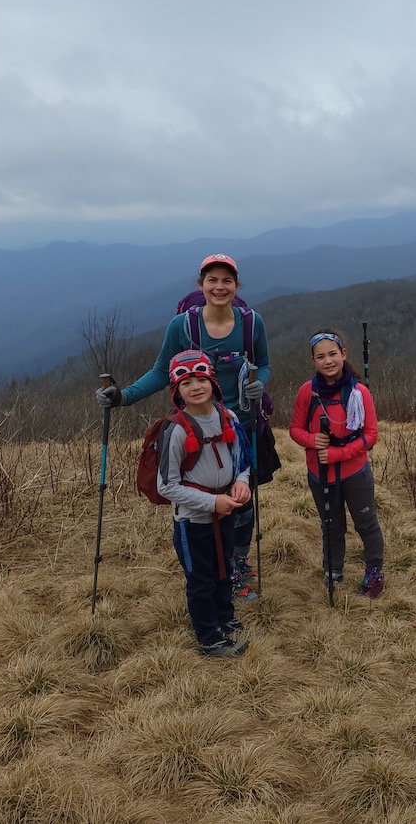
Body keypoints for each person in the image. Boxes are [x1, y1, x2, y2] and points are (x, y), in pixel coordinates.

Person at [96, 253, 271, 602]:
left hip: (239, 425)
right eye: (212, 280)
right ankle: (212, 569)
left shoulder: (252, 323)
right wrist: (123, 397)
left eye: (227, 280)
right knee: (203, 501)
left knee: (243, 499)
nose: (219, 287)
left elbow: (263, 365)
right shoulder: (183, 327)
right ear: (201, 284)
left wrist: (259, 385)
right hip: (197, 429)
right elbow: (163, 372)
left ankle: (236, 561)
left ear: (237, 286)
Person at [158, 350, 251, 657]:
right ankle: (208, 636)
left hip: (224, 509)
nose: (195, 387)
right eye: (186, 383)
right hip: (191, 521)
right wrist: (212, 502)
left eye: (201, 379)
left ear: (212, 379)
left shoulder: (228, 417)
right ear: (177, 391)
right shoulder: (175, 430)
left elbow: (242, 461)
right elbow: (166, 485)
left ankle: (225, 617)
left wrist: (241, 482)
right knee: (200, 578)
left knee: (224, 567)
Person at [289, 330, 385, 597]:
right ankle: (333, 572)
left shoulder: (359, 392)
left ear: (343, 354)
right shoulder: (307, 392)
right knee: (331, 525)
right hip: (320, 474)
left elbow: (371, 434)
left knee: (366, 523)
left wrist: (337, 454)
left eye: (332, 354)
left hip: (354, 472)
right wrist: (312, 440)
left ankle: (374, 573)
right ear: (313, 361)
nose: (327, 361)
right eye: (320, 357)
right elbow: (295, 429)